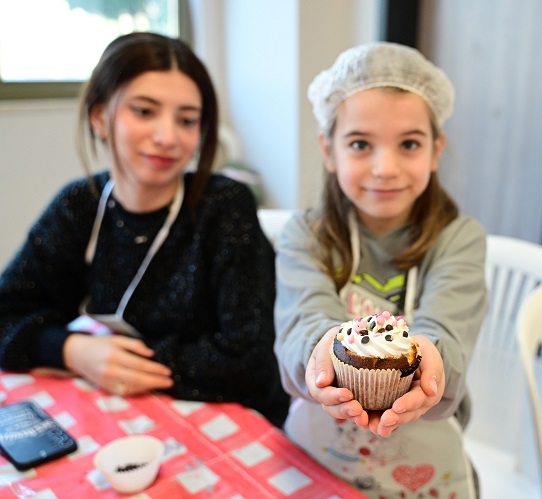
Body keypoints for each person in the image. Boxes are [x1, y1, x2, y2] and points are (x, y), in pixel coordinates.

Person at [0, 32, 289, 428]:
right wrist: (71, 350)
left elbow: (251, 360)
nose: (167, 137)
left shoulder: (224, 207)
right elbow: (6, 314)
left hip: (229, 420)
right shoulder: (79, 206)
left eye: (187, 120)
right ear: (100, 117)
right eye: (144, 111)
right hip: (128, 417)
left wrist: (118, 358)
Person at [274, 42, 487, 497]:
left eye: (408, 143)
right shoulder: (304, 236)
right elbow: (302, 321)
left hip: (425, 463)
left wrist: (432, 363)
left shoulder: (459, 239)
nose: (385, 168)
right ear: (328, 150)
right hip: (319, 457)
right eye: (359, 144)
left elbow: (445, 331)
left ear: (435, 150)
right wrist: (319, 348)